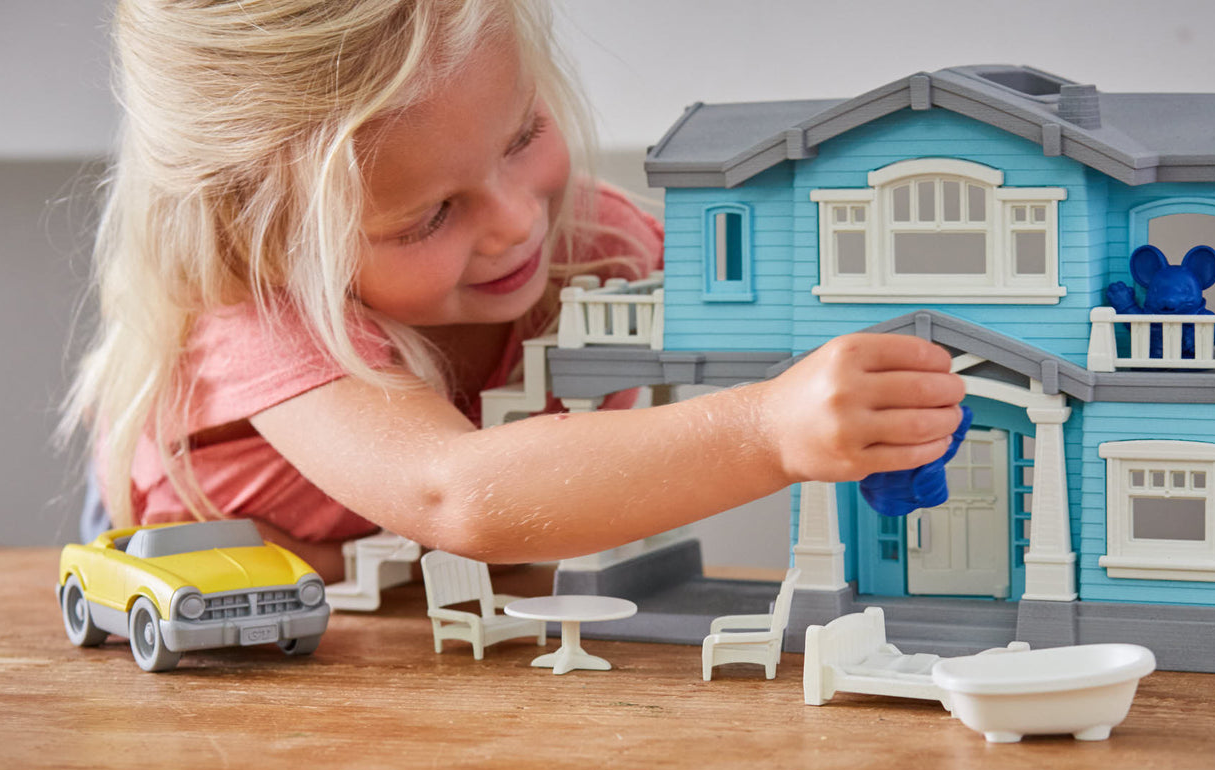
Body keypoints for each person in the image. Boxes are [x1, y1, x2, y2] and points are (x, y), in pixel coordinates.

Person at [62, 0, 965, 585]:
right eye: (427, 218)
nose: (514, 222)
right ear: (268, 239)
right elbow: (455, 494)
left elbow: (783, 296)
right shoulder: (259, 315)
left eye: (522, 134)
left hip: (418, 607)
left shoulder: (599, 245)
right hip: (219, 595)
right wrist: (767, 428)